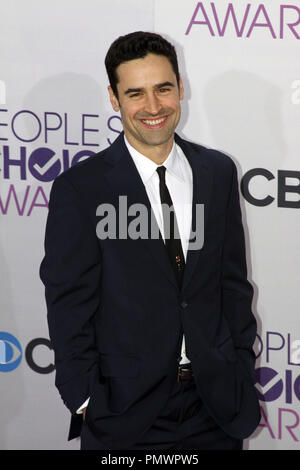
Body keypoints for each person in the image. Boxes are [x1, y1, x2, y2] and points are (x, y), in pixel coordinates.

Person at [40, 31, 261, 450]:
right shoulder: (81, 189)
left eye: (163, 88)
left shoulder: (216, 172)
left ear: (181, 87)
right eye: (136, 93)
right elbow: (68, 303)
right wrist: (85, 398)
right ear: (114, 98)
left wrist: (239, 369)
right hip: (124, 414)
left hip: (213, 407)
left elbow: (231, 284)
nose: (153, 107)